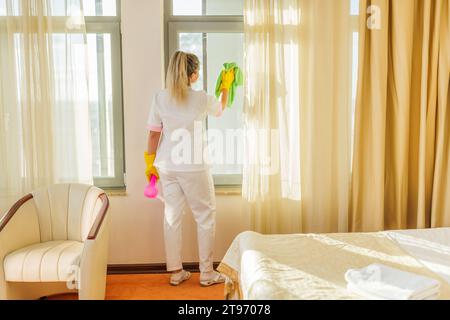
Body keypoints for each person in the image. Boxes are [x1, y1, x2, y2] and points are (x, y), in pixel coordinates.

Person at [145, 51, 234, 286]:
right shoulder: (201, 98)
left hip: (166, 166)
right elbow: (221, 109)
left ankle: (176, 272)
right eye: (198, 73)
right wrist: (225, 86)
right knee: (205, 216)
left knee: (172, 217)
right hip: (194, 166)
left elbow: (154, 134)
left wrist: (148, 163)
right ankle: (206, 273)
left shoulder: (159, 97)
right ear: (193, 75)